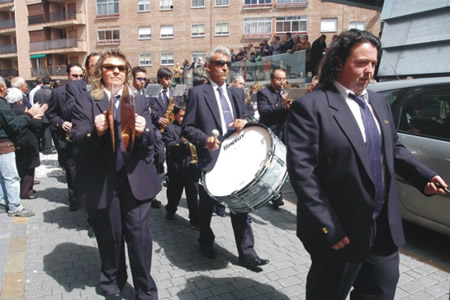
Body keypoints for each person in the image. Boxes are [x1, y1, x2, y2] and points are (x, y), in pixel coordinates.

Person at [285, 30, 448, 300]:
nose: (369, 71)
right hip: (341, 231)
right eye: (361, 63)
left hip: (383, 229)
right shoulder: (310, 108)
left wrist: (423, 177)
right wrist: (329, 226)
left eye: (373, 64)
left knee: (380, 291)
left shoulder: (379, 102)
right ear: (338, 61)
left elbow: (392, 148)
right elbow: (304, 177)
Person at [71, 48, 160, 300]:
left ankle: (145, 290)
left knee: (140, 239)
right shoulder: (86, 100)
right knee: (110, 237)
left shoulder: (139, 100)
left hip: (136, 181)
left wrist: (145, 132)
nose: (116, 72)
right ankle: (112, 282)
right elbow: (76, 138)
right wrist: (94, 131)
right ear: (101, 72)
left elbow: (152, 140)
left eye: (121, 68)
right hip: (103, 181)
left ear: (127, 73)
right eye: (110, 67)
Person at [182, 46, 269, 272]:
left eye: (228, 64)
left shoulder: (237, 93)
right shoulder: (197, 94)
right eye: (220, 63)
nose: (225, 68)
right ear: (209, 66)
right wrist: (204, 140)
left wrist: (245, 122)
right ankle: (205, 240)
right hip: (211, 158)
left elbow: (249, 115)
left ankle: (247, 254)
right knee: (207, 205)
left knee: (240, 206)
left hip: (236, 158)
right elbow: (187, 128)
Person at [0, 77, 46, 217]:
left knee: (4, 177)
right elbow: (14, 125)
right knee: (11, 177)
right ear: (1, 87)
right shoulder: (2, 104)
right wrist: (29, 114)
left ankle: (3, 202)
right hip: (4, 144)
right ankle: (15, 207)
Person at [47, 63, 84, 211]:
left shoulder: (87, 90)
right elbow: (50, 114)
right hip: (67, 140)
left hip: (84, 139)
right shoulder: (57, 93)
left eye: (81, 76)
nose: (78, 79)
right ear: (67, 75)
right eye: (74, 76)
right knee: (72, 170)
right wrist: (61, 123)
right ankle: (74, 199)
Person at [257, 68, 290, 209]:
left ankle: (276, 192)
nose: (282, 82)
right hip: (271, 134)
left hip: (285, 133)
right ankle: (276, 195)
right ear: (272, 80)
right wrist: (281, 104)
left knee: (283, 165)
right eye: (279, 79)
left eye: (284, 79)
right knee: (272, 166)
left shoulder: (287, 92)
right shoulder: (263, 93)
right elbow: (264, 111)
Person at [163, 104, 200, 228]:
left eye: (186, 116)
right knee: (174, 194)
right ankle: (170, 211)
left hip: (191, 167)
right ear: (174, 115)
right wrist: (181, 141)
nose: (184, 119)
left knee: (193, 196)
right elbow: (169, 146)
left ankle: (194, 220)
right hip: (177, 168)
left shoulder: (192, 127)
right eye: (181, 116)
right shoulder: (170, 128)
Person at [7, 88, 41, 200]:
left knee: (19, 167)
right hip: (28, 141)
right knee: (29, 168)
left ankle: (23, 189)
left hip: (16, 142)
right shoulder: (24, 110)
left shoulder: (8, 111)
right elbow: (35, 124)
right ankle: (26, 191)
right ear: (20, 100)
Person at [34, 75, 54, 154]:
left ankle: (41, 147)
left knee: (41, 132)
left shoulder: (37, 92)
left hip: (38, 114)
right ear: (50, 82)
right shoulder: (50, 92)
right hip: (47, 115)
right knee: (47, 133)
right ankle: (47, 148)